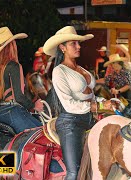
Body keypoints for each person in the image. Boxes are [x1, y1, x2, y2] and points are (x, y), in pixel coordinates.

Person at [43, 26, 112, 179]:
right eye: (73, 43)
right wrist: (98, 106)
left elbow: (92, 97)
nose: (78, 46)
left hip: (90, 119)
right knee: (74, 172)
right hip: (70, 122)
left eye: (78, 43)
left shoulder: (82, 69)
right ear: (62, 47)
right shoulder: (59, 71)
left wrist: (106, 102)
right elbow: (69, 104)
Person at [0, 27, 43, 133]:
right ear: (11, 46)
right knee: (41, 134)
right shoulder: (14, 66)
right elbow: (19, 97)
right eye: (13, 42)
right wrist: (34, 105)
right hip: (11, 111)